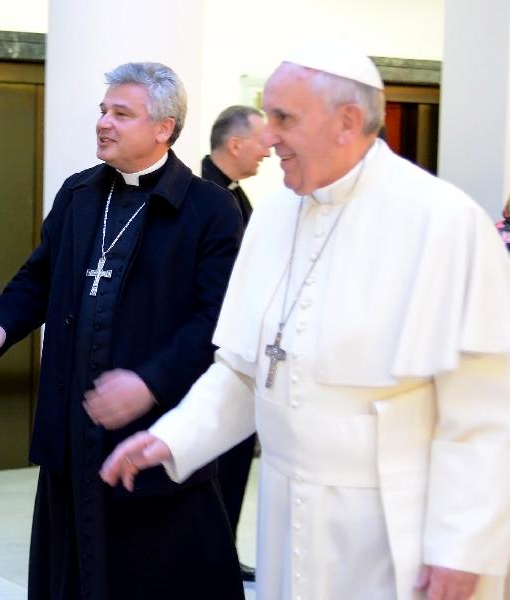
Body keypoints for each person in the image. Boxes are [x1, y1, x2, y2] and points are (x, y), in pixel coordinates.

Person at [101, 43, 510, 600]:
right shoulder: (272, 217)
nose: (268, 136)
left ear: (346, 122)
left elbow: (485, 414)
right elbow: (244, 369)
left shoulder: (446, 222)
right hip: (285, 507)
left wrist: (462, 548)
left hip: (394, 526)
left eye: (284, 119)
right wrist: (173, 437)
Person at [0, 63, 244, 599]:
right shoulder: (80, 194)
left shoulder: (208, 209)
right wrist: (0, 320)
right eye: (103, 111)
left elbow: (216, 322)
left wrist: (150, 382)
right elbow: (40, 275)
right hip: (74, 429)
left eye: (121, 113)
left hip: (155, 432)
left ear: (164, 127)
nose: (103, 123)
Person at [202, 103, 271, 582]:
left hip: (242, 349)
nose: (269, 148)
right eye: (263, 137)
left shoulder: (238, 195)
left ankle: (223, 548)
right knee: (215, 462)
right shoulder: (206, 195)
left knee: (236, 461)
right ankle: (211, 553)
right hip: (213, 352)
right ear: (235, 143)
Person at [203, 104, 269, 226]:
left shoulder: (233, 188)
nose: (267, 153)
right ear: (235, 146)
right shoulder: (199, 192)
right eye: (262, 143)